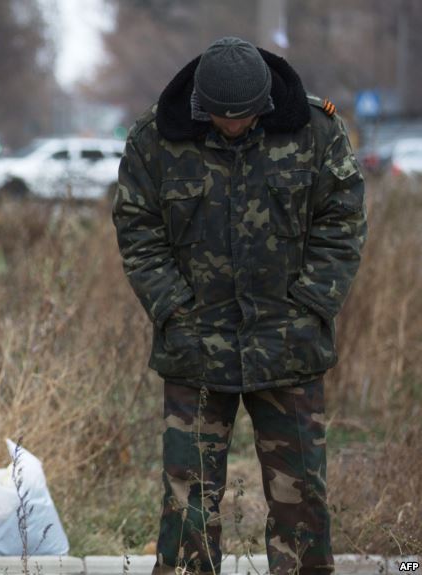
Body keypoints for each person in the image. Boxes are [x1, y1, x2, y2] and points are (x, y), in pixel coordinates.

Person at [113, 37, 367, 574]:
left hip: (289, 348)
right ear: (202, 105)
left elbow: (341, 221)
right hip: (194, 348)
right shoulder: (155, 140)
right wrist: (174, 310)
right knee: (186, 504)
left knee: (301, 502)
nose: (232, 126)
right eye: (221, 118)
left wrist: (310, 306)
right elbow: (138, 230)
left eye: (244, 117)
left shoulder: (316, 133)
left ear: (265, 104)